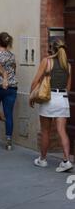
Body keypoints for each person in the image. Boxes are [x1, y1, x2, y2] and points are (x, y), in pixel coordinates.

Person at [30, 39, 73, 172]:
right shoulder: (68, 65)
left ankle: (42, 160)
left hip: (49, 98)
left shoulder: (47, 61)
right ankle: (66, 161)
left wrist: (31, 96)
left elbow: (36, 80)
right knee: (62, 131)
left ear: (51, 48)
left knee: (45, 131)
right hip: (63, 99)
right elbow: (68, 87)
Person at [0, 32, 17, 150]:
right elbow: (14, 69)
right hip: (11, 87)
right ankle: (8, 141)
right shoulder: (12, 55)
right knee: (9, 114)